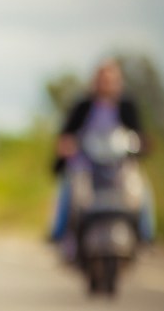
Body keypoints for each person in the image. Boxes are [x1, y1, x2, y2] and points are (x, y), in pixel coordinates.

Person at [50, 58, 155, 247]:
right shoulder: (84, 105)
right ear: (95, 81)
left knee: (141, 188)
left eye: (111, 79)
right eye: (103, 79)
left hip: (119, 162)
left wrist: (142, 144)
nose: (106, 84)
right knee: (69, 189)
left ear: (118, 81)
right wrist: (67, 146)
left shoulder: (126, 105)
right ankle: (57, 232)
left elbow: (139, 133)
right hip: (86, 162)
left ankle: (146, 235)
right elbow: (66, 135)